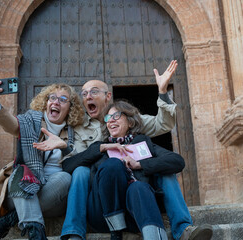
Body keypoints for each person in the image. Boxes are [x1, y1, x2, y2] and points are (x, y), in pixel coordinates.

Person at [52, 60, 212, 240]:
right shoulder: (78, 128)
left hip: (134, 193)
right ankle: (74, 230)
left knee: (158, 177)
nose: (88, 96)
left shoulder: (137, 135)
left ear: (107, 96)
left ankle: (183, 229)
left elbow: (165, 125)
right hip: (98, 192)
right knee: (83, 171)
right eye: (84, 93)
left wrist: (162, 92)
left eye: (94, 91)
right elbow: (72, 163)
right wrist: (102, 147)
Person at [61, 100, 186, 240]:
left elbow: (177, 161)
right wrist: (103, 147)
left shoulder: (142, 142)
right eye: (108, 118)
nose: (110, 121)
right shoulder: (99, 147)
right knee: (113, 164)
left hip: (136, 213)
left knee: (138, 186)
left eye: (116, 116)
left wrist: (139, 164)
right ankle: (116, 228)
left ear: (130, 122)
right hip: (102, 216)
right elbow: (67, 166)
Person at [0, 79, 84, 240]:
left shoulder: (76, 132)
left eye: (63, 99)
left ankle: (11, 219)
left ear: (70, 108)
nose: (56, 102)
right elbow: (10, 123)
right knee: (21, 174)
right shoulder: (30, 121)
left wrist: (64, 147)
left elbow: (81, 163)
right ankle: (36, 234)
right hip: (18, 191)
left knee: (64, 178)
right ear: (46, 102)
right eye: (52, 98)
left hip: (54, 198)